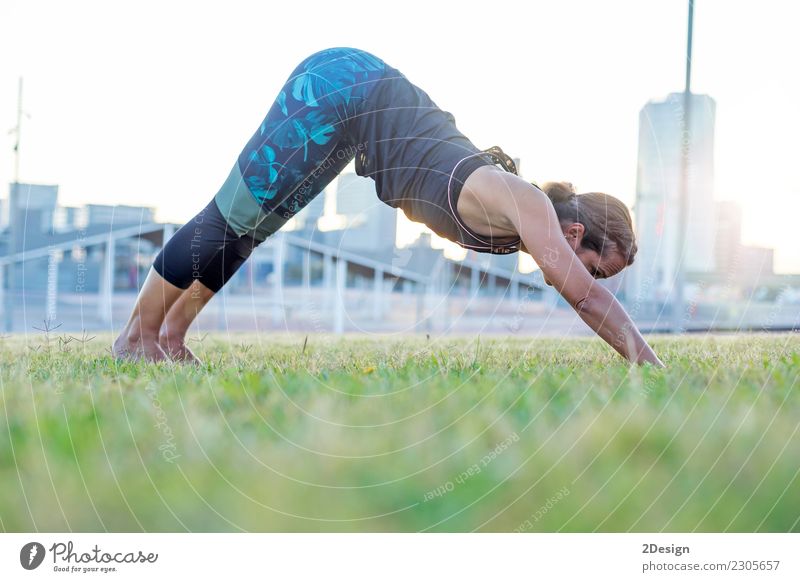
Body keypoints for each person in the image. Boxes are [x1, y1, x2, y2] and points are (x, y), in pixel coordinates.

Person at [112, 47, 664, 367]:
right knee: (228, 216)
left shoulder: (528, 223)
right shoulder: (530, 206)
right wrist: (648, 364)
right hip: (342, 88)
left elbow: (587, 291)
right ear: (575, 235)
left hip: (354, 126)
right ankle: (135, 339)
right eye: (597, 267)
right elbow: (587, 300)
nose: (590, 280)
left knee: (246, 232)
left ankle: (169, 338)